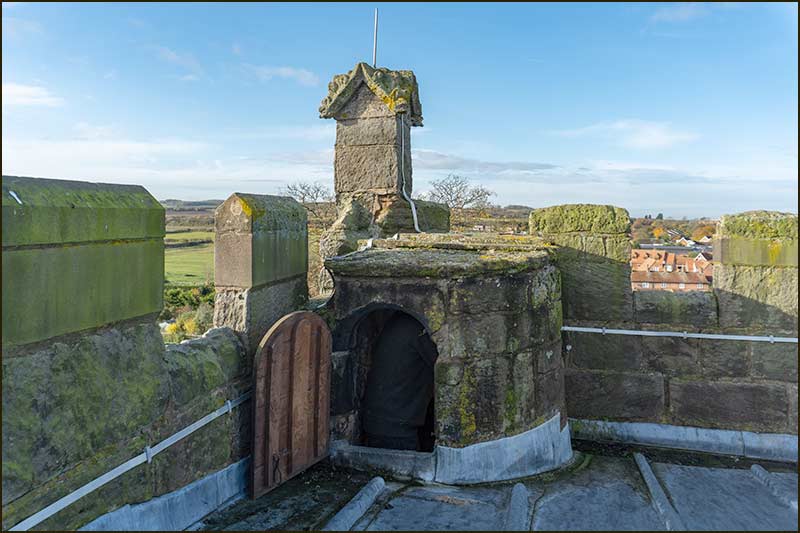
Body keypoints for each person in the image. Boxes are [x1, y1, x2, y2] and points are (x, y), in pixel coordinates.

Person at [362, 312, 437, 450]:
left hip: (379, 421)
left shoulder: (396, 320)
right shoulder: (417, 327)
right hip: (396, 426)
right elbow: (440, 363)